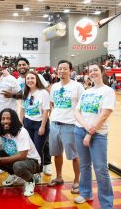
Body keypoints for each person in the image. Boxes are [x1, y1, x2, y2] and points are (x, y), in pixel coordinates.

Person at [74, 64, 115, 208]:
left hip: (98, 135)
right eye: (90, 71)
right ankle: (86, 193)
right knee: (84, 165)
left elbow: (105, 114)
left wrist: (90, 133)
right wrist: (86, 127)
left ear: (102, 72)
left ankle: (106, 203)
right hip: (80, 131)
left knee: (100, 168)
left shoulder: (108, 91)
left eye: (95, 70)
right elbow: (77, 112)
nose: (92, 73)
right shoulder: (86, 91)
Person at [48, 60, 84, 195]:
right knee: (57, 154)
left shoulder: (78, 86)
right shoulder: (55, 87)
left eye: (64, 69)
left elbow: (83, 106)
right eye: (60, 69)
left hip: (71, 125)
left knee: (75, 156)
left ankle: (77, 181)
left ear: (70, 70)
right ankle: (59, 176)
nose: (61, 71)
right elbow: (52, 104)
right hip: (55, 124)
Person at [0, 108, 41, 197]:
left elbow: (22, 156)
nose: (5, 121)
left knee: (18, 166)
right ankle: (13, 174)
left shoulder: (21, 132)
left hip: (32, 161)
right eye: (3, 118)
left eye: (8, 118)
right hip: (17, 158)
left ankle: (31, 180)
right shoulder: (1, 130)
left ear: (14, 120)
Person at [20, 71, 51, 176]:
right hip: (28, 123)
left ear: (37, 79)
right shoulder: (25, 92)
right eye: (28, 79)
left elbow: (46, 111)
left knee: (38, 149)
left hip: (40, 124)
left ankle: (38, 172)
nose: (30, 80)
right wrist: (21, 124)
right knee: (30, 149)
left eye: (32, 78)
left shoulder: (43, 93)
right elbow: (22, 110)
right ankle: (32, 169)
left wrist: (42, 127)